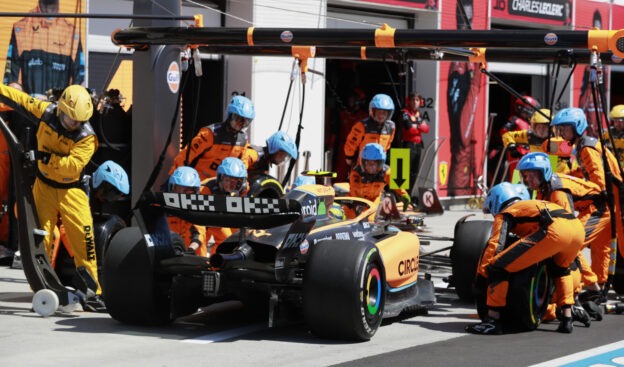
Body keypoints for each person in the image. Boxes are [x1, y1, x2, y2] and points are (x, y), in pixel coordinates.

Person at [0, 83, 104, 311]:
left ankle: (92, 292)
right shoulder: (46, 111)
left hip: (72, 190)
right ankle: (41, 288)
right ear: (61, 109)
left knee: (83, 238)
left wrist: (45, 158)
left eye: (79, 120)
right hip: (44, 187)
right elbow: (20, 99)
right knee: (39, 238)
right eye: (71, 119)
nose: (75, 124)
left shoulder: (87, 137)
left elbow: (72, 166)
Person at [466, 182, 585, 334]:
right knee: (560, 270)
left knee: (498, 266)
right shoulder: (530, 205)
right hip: (577, 229)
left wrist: (482, 276)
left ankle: (492, 321)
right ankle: (567, 320)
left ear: (496, 202)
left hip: (555, 230)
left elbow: (496, 244)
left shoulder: (507, 212)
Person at [516, 152, 604, 320]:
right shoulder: (543, 188)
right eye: (525, 176)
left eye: (532, 176)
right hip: (587, 206)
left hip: (597, 208)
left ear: (544, 174)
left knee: (571, 245)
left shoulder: (557, 193)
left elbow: (568, 225)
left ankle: (592, 289)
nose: (528, 181)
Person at [551, 107, 624, 295]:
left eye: (564, 129)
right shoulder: (585, 145)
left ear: (577, 127)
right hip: (612, 205)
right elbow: (587, 172)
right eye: (559, 129)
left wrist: (574, 188)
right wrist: (565, 176)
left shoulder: (587, 148)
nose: (561, 133)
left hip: (604, 206)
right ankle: (598, 286)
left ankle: (592, 284)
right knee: (601, 247)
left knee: (572, 241)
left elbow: (598, 184)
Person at [3, 0, 85, 99]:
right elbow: (11, 82)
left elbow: (79, 84)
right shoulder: (21, 28)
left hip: (58, 111)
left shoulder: (72, 33)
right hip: (29, 110)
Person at [169, 95, 254, 181]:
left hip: (225, 186)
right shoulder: (210, 134)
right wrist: (174, 178)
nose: (240, 124)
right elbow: (185, 156)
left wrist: (243, 185)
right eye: (237, 119)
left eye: (245, 121)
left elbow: (243, 165)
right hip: (200, 184)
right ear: (229, 115)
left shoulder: (243, 139)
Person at [200, 157, 249, 255]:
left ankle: (222, 263)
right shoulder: (205, 189)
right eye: (227, 180)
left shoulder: (244, 188)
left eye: (235, 181)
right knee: (207, 240)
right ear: (220, 178)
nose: (230, 185)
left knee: (239, 236)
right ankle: (208, 264)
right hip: (207, 216)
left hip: (228, 214)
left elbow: (243, 206)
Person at [349, 143, 410, 209]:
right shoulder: (356, 172)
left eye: (374, 164)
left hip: (374, 200)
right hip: (357, 199)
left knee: (372, 217)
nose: (371, 167)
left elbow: (397, 184)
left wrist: (404, 195)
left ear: (381, 163)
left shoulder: (386, 172)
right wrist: (359, 202)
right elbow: (354, 189)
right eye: (368, 163)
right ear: (363, 162)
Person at [344, 93, 396, 169]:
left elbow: (388, 145)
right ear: (372, 111)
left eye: (384, 113)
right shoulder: (362, 126)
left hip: (380, 165)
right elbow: (351, 143)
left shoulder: (391, 127)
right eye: (379, 112)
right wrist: (349, 157)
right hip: (363, 165)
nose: (381, 115)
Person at [167, 166, 207, 257]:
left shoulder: (198, 208)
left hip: (195, 259)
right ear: (172, 188)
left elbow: (199, 234)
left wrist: (190, 250)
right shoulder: (164, 209)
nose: (182, 195)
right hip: (170, 257)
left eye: (187, 191)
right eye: (179, 189)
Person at [399, 92, 430, 198]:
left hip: (417, 146)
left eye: (417, 100)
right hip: (406, 145)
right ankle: (401, 197)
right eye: (413, 100)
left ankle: (409, 196)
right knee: (403, 174)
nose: (414, 102)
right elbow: (409, 128)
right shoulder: (404, 113)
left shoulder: (419, 114)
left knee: (414, 173)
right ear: (409, 101)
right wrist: (419, 125)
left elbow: (427, 129)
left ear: (420, 102)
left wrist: (416, 125)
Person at [334, 88, 368, 182]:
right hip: (343, 147)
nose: (350, 100)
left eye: (353, 98)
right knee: (340, 172)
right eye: (350, 98)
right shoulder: (343, 114)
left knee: (358, 174)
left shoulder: (364, 117)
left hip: (359, 149)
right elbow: (335, 130)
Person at [604, 104, 624, 169]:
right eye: (615, 120)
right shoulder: (608, 134)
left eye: (620, 121)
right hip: (611, 168)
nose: (618, 123)